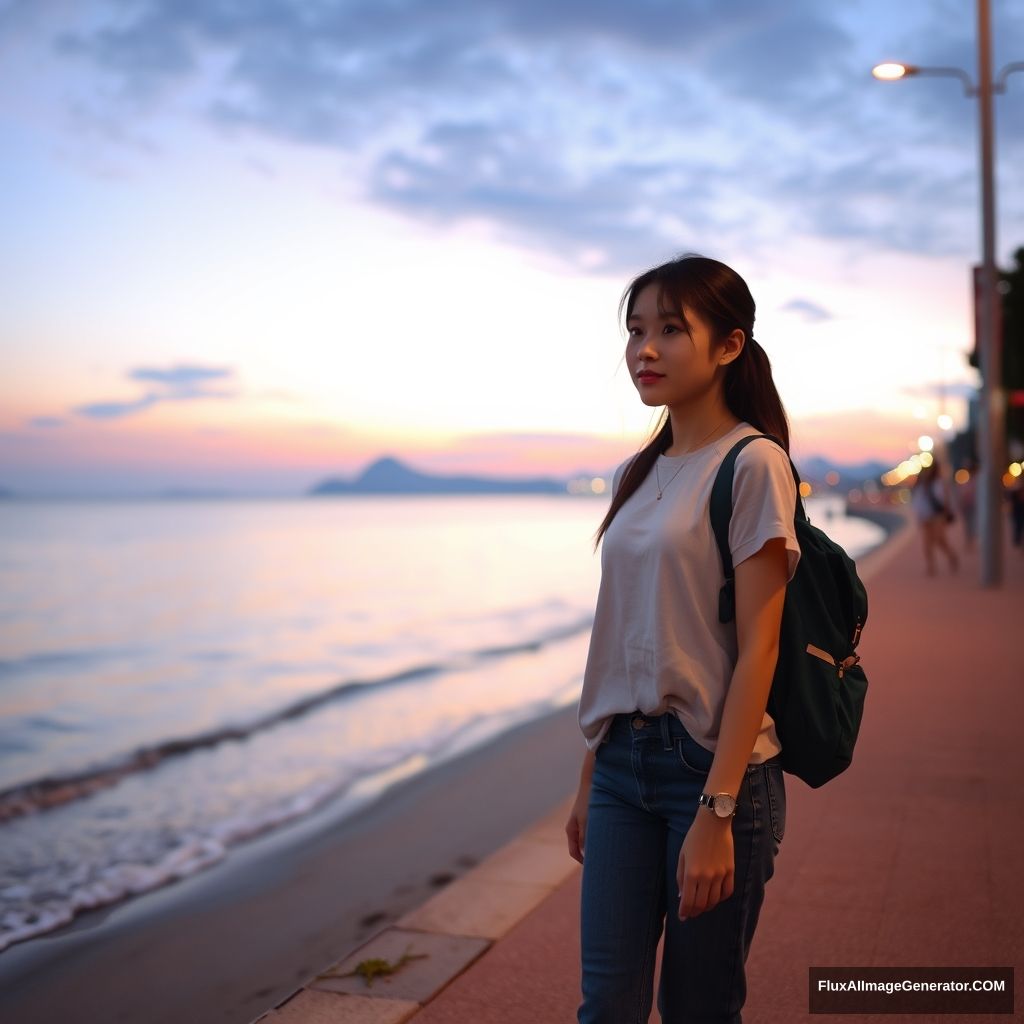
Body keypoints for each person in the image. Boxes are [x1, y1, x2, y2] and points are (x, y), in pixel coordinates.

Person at [566, 254, 800, 1023]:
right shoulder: (635, 474)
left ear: (729, 346)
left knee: (698, 1009)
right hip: (622, 768)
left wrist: (718, 809)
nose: (646, 349)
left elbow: (759, 648)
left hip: (712, 767)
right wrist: (589, 772)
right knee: (607, 1005)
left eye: (671, 329)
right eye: (636, 330)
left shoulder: (753, 464)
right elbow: (624, 636)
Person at [909, 459, 959, 576]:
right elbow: (918, 501)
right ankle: (931, 566)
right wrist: (919, 517)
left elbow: (945, 499)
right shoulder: (920, 484)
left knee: (939, 539)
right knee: (927, 542)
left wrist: (947, 513)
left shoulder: (939, 482)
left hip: (937, 515)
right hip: (925, 516)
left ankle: (951, 556)